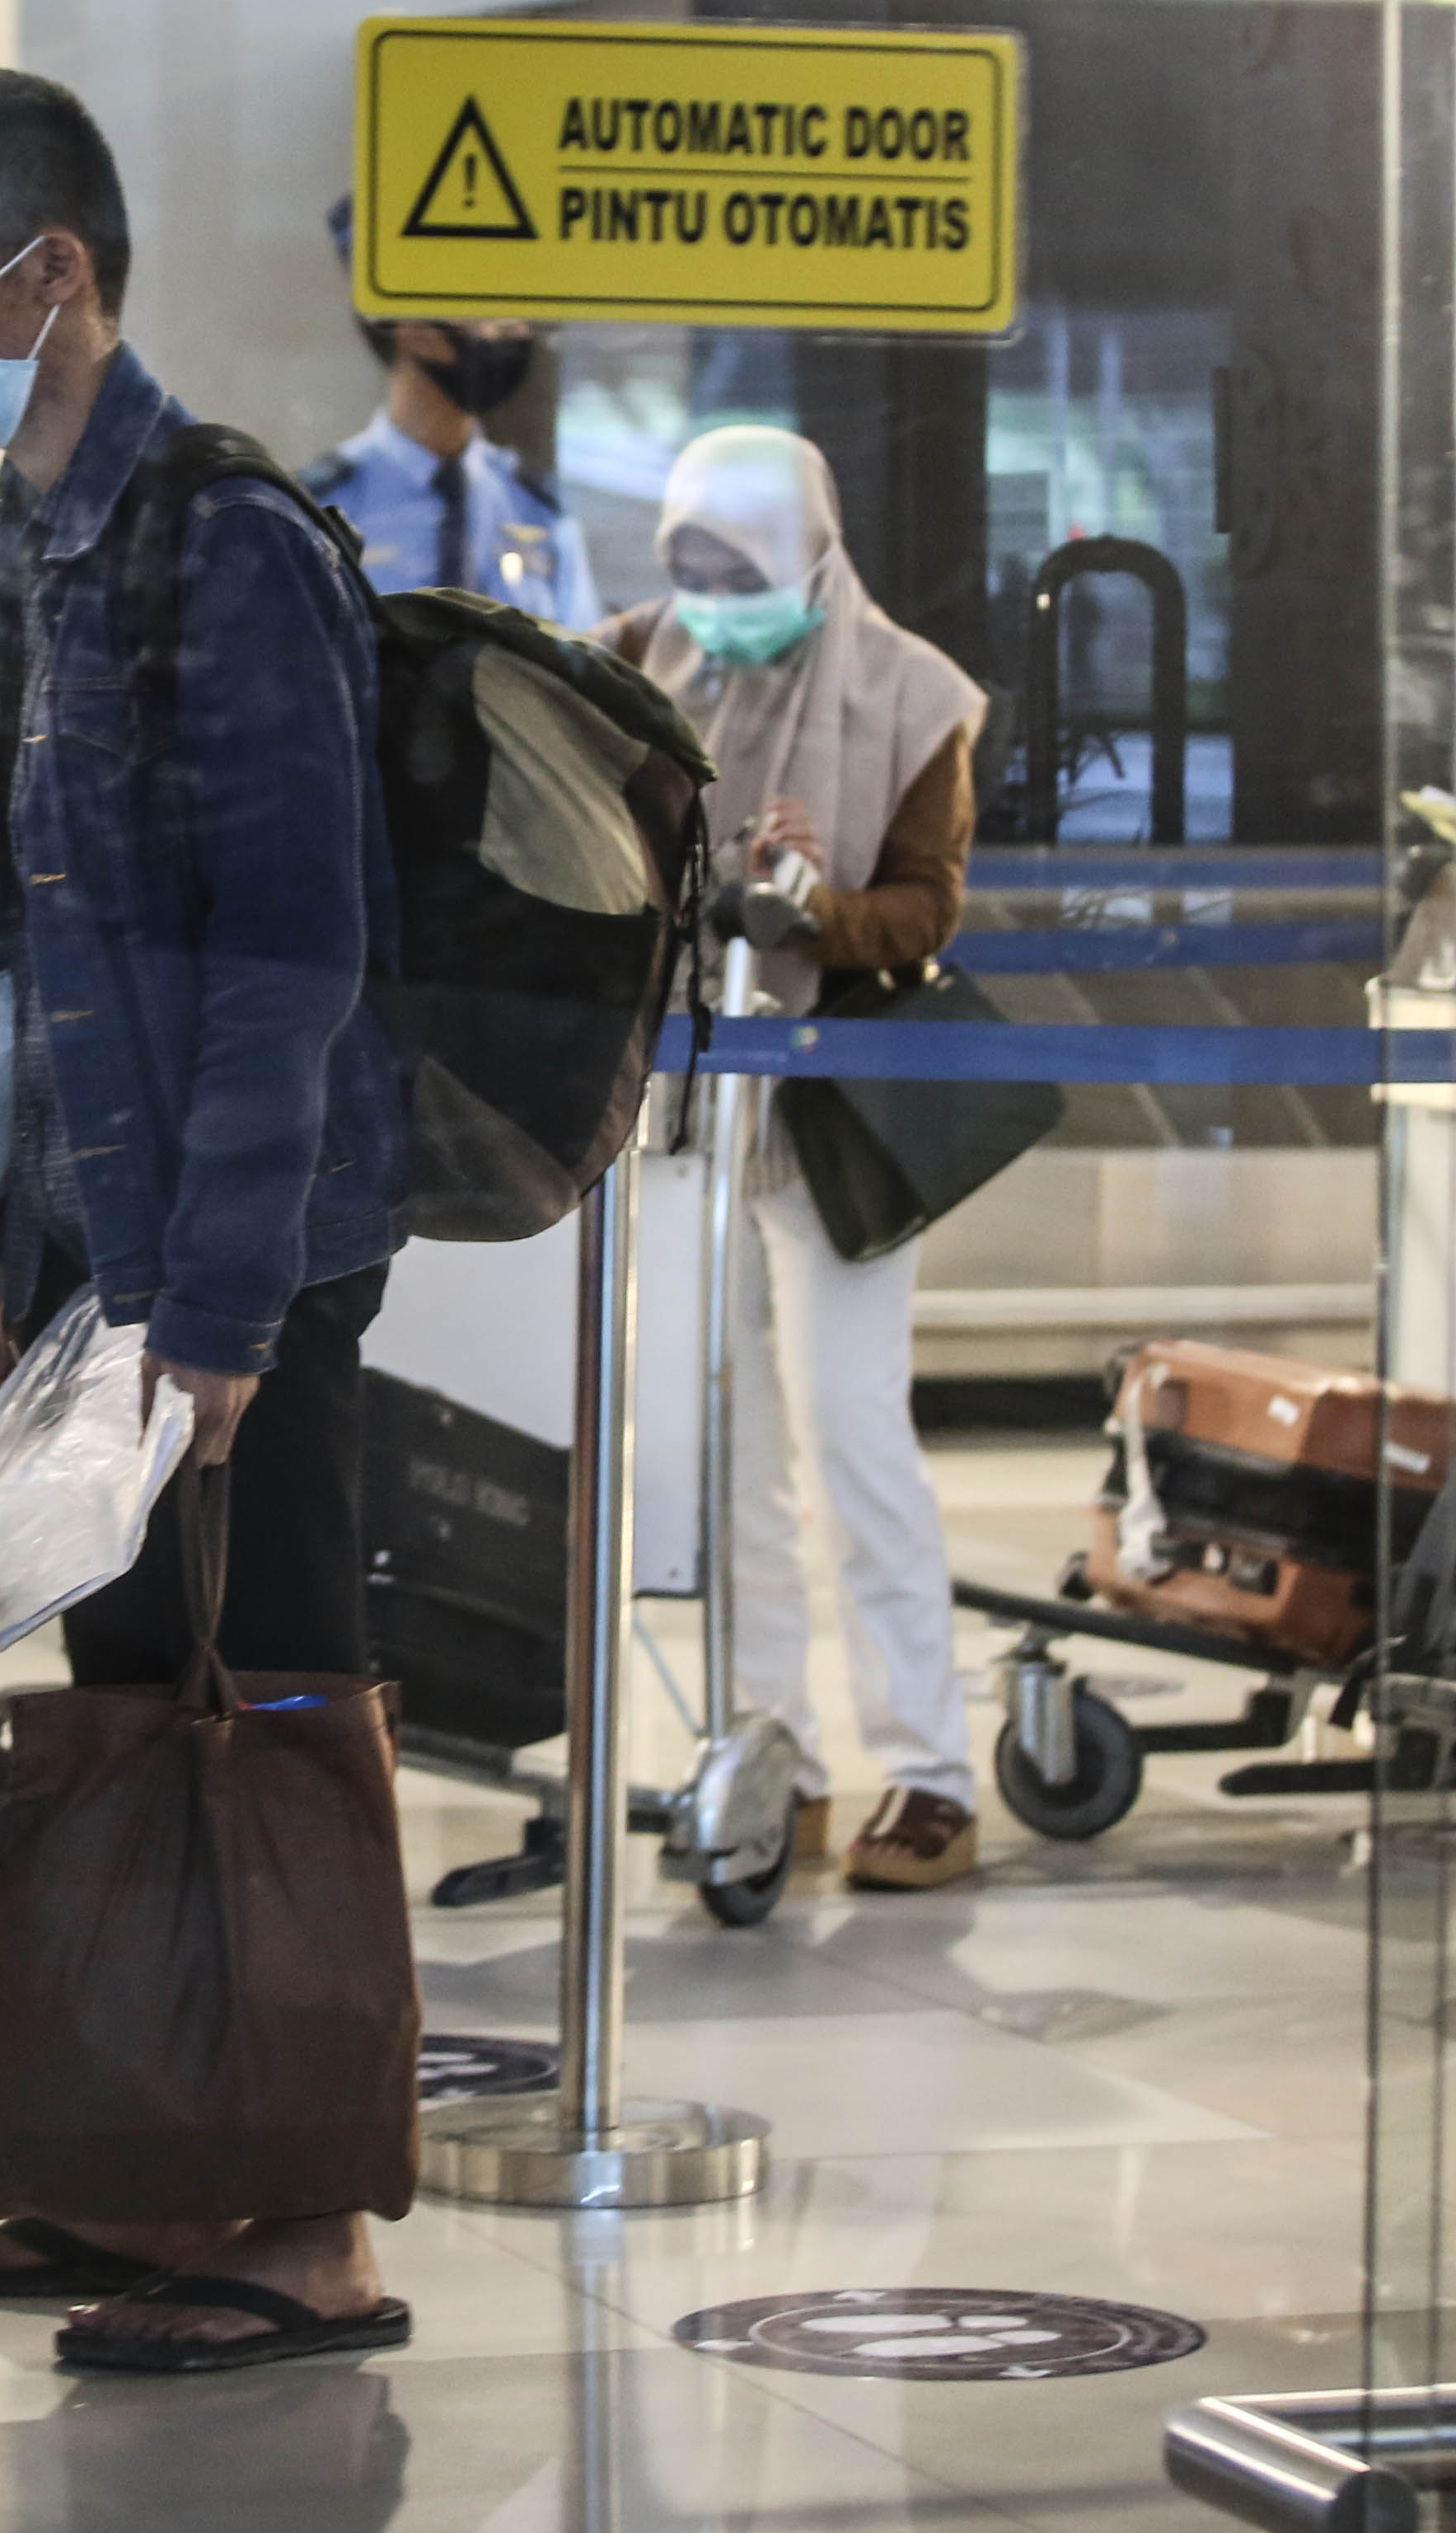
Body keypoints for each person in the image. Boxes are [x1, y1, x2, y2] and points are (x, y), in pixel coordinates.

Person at [0, 69, 412, 2368]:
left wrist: (219, 1296)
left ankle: (301, 2225)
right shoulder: (32, 538)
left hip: (239, 1238)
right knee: (111, 1695)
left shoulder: (228, 538)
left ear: (45, 270)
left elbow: (295, 949)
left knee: (267, 1690)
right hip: (94, 1220)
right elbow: (5, 917)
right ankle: (124, 2166)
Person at [602, 429, 986, 1894]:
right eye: (689, 565)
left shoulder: (912, 694)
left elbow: (927, 912)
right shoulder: (644, 657)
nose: (711, 600)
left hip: (830, 1118)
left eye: (738, 572)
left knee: (851, 1435)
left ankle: (931, 1774)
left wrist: (816, 903)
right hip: (687, 1111)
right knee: (728, 1454)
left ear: (810, 554)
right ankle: (774, 1759)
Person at [311, 200, 594, 624]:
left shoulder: (536, 509)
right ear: (409, 326)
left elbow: (585, 665)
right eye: (480, 309)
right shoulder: (325, 508)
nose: (509, 331)